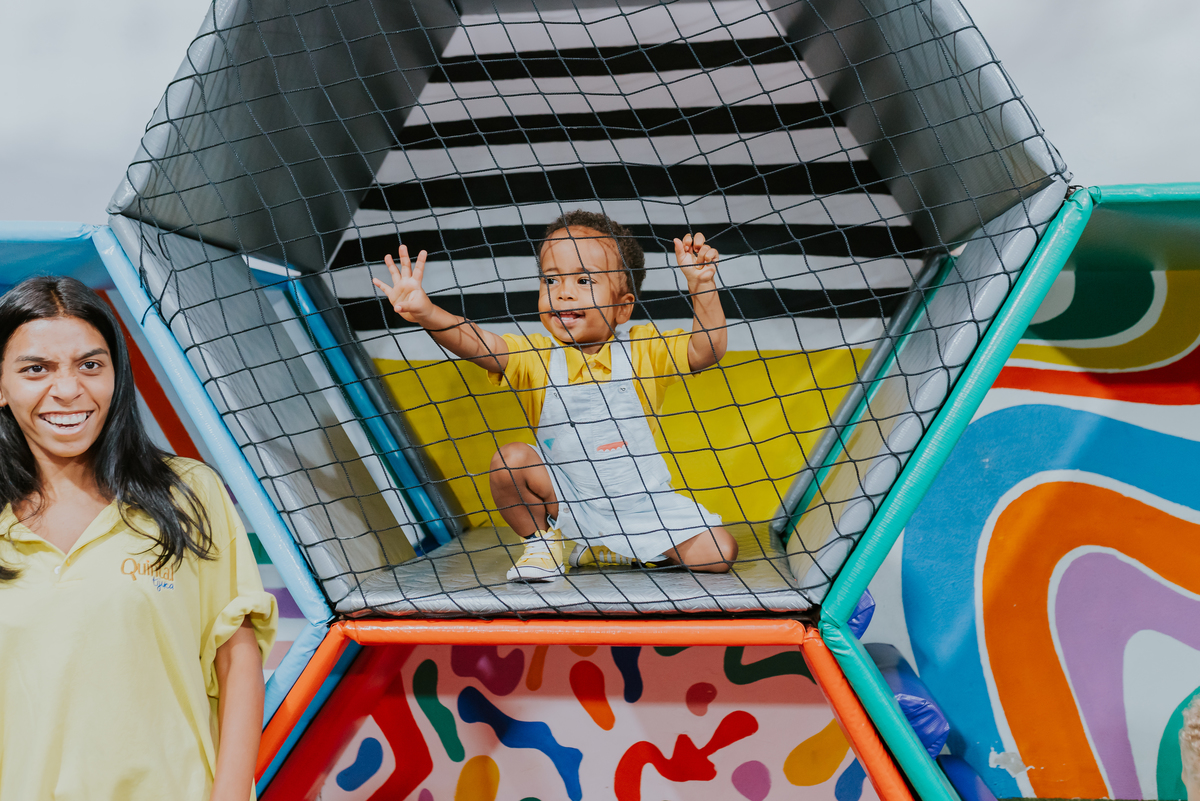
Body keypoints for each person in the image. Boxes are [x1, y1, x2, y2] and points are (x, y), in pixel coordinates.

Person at [0, 277, 277, 800]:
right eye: (36, 369)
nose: (67, 389)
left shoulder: (188, 492)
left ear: (116, 375)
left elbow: (237, 658)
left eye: (90, 364)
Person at [373, 209, 738, 581]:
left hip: (643, 506)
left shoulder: (645, 349)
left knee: (721, 553)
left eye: (583, 280)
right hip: (567, 499)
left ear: (623, 306)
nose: (563, 292)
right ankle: (543, 543)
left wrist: (701, 285)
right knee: (510, 462)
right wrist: (427, 313)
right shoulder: (535, 356)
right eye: (551, 280)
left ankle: (609, 548)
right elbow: (478, 344)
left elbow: (705, 350)